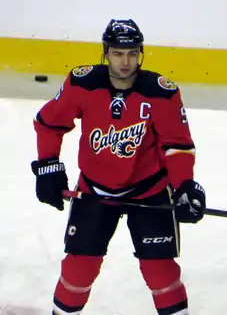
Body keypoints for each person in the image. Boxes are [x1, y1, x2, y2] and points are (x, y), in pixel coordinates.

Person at [31, 19, 206, 315]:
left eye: (132, 53)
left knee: (160, 270)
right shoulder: (83, 83)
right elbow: (50, 123)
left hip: (148, 191)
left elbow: (176, 146)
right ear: (106, 53)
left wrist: (185, 186)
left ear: (141, 54)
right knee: (78, 269)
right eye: (117, 53)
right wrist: (47, 164)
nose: (125, 61)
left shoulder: (161, 92)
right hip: (94, 191)